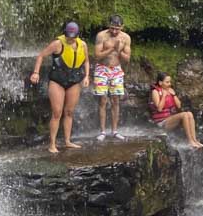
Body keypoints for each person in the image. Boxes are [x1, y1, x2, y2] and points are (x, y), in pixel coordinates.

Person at [29, 21, 89, 154]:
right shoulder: (57, 43)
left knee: (69, 112)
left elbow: (86, 61)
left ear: (78, 35)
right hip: (57, 81)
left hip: (74, 81)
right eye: (68, 35)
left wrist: (87, 76)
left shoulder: (82, 45)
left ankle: (67, 141)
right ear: (65, 33)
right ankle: (52, 144)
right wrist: (36, 72)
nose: (70, 38)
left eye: (73, 36)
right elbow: (41, 56)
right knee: (57, 113)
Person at [94, 14, 132, 141]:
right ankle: (102, 131)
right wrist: (112, 48)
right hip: (102, 68)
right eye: (112, 28)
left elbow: (127, 59)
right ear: (108, 26)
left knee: (116, 100)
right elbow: (97, 56)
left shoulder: (126, 38)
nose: (114, 31)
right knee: (103, 100)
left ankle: (115, 131)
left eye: (117, 29)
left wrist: (119, 50)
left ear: (122, 27)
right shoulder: (101, 36)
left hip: (116, 69)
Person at [149, 72, 203, 149]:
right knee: (184, 114)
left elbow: (179, 106)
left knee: (189, 113)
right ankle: (190, 141)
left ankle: (194, 140)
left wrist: (173, 95)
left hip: (170, 120)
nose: (169, 84)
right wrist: (164, 96)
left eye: (170, 82)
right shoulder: (155, 92)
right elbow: (159, 108)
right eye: (167, 82)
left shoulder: (170, 90)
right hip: (161, 123)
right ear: (160, 82)